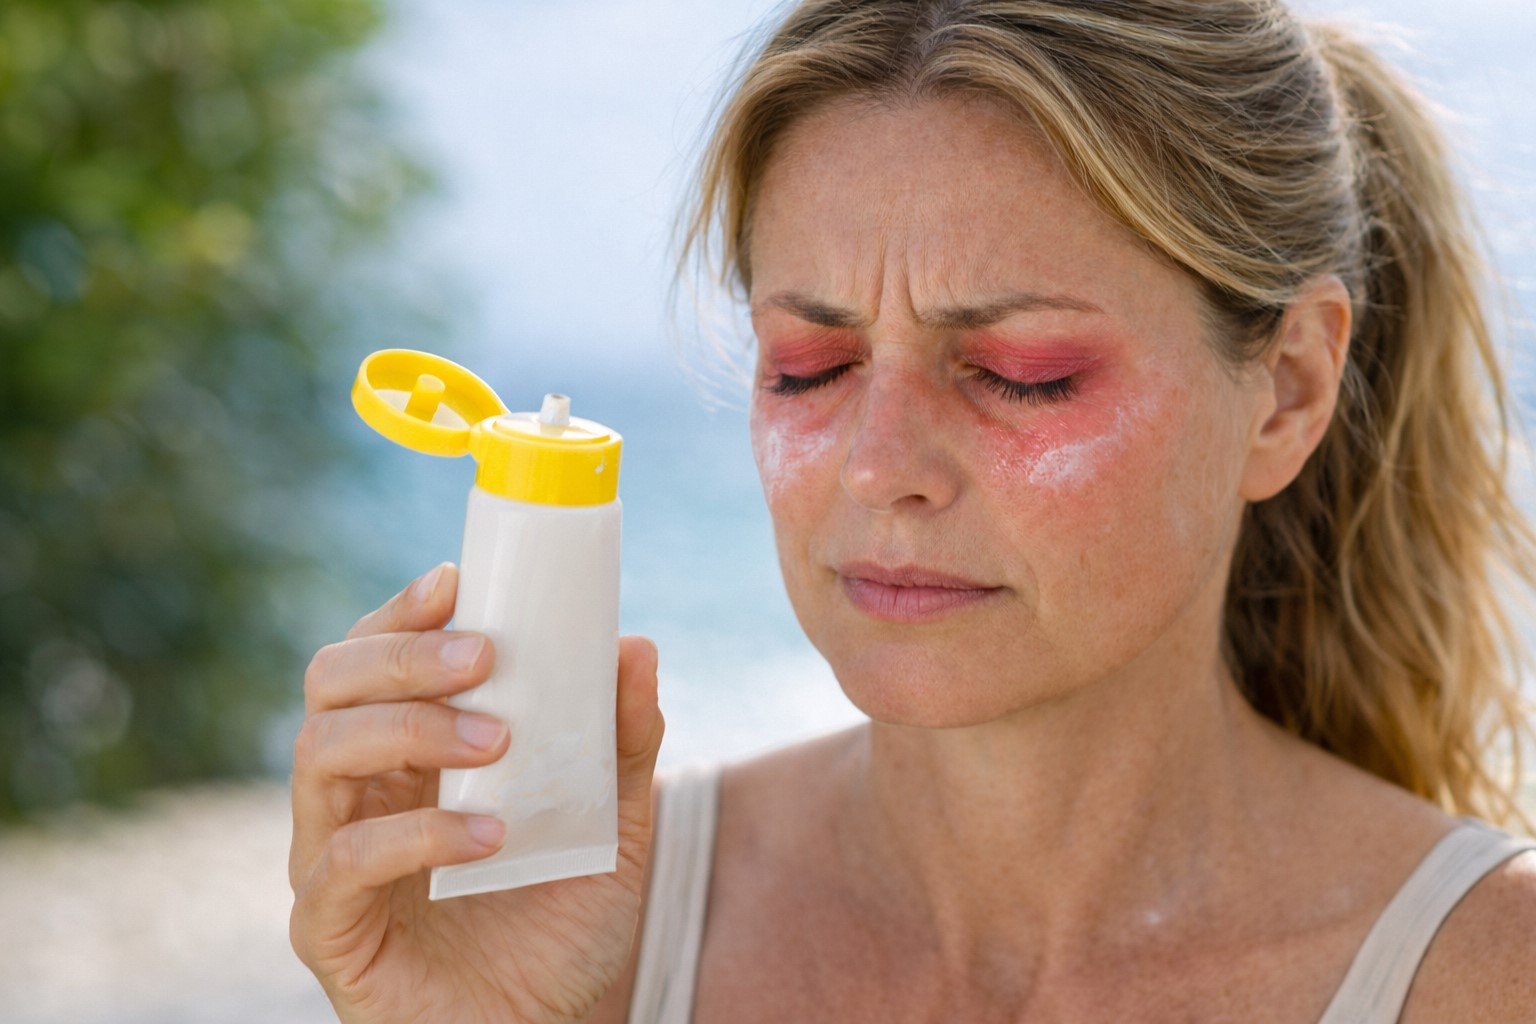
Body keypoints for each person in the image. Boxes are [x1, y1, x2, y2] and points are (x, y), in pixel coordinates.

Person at [288, 1, 1536, 1021]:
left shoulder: (1492, 976)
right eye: (811, 367)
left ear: (1290, 390)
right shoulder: (577, 921)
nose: (879, 467)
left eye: (1020, 372)